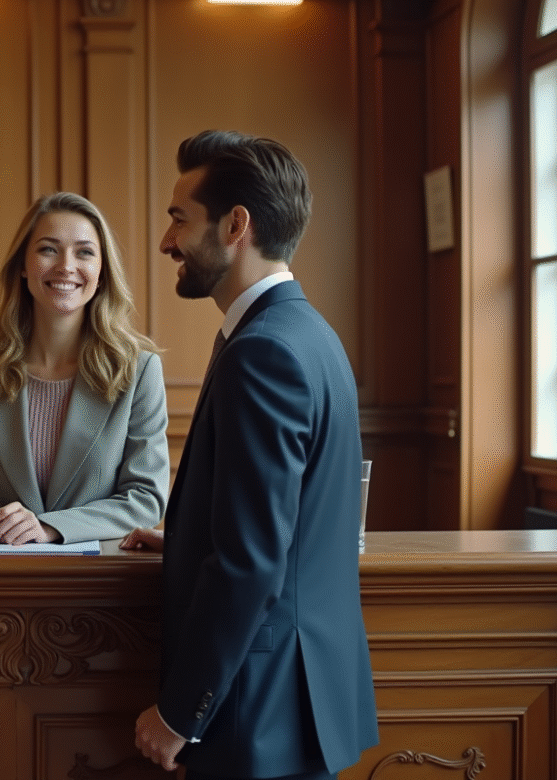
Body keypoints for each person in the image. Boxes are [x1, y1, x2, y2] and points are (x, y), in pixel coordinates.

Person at [122, 130, 379, 779]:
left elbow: (251, 564)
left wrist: (182, 714)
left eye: (180, 218)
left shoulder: (263, 353)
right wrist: (184, 539)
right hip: (294, 705)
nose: (166, 242)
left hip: (256, 715)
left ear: (235, 224)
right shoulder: (312, 336)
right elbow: (286, 533)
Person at [0, 192, 170, 545]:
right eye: (48, 249)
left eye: (85, 252)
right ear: (24, 266)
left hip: (102, 585)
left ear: (102, 271)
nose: (66, 266)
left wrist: (48, 527)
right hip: (4, 581)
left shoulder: (139, 371)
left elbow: (146, 499)